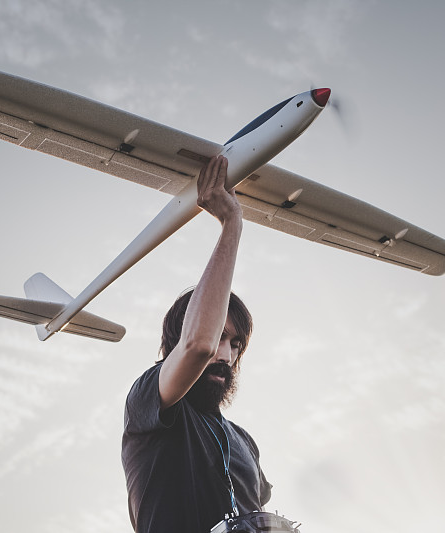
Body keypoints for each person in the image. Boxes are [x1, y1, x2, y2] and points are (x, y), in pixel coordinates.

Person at [122, 155, 272, 533]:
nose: (227, 355)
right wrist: (232, 225)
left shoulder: (244, 442)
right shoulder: (148, 400)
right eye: (220, 336)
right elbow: (197, 346)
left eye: (236, 344)